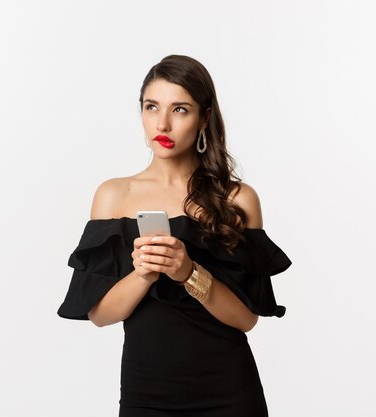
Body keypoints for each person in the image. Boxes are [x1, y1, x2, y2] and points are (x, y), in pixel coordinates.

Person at [57, 54, 292, 417]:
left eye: (180, 109)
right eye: (152, 107)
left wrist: (188, 272)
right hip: (146, 395)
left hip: (228, 391)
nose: (162, 123)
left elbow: (247, 319)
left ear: (204, 118)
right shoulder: (113, 195)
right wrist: (144, 273)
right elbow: (100, 314)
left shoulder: (238, 199)